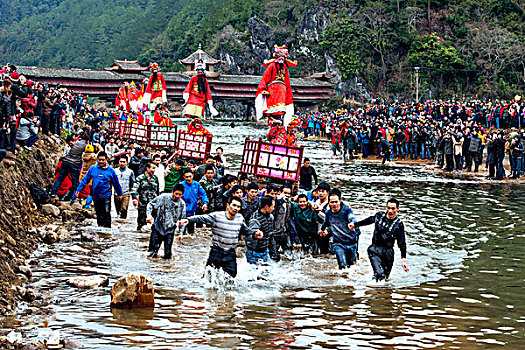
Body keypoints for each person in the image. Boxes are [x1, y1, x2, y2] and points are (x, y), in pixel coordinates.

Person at [178, 196, 263, 278]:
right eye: (234, 205)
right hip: (216, 252)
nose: (235, 208)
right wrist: (188, 220)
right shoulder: (217, 216)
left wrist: (254, 233)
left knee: (231, 279)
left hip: (230, 253)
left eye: (238, 207)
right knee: (208, 278)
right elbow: (202, 218)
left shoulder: (240, 218)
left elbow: (245, 230)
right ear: (227, 205)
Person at [352, 198, 408, 282]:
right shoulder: (379, 216)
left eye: (393, 209)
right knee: (379, 273)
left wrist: (403, 260)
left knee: (384, 279)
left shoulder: (398, 224)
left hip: (388, 252)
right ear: (386, 207)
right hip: (375, 249)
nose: (390, 211)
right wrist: (355, 225)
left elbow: (401, 242)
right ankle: (371, 288)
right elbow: (369, 220)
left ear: (397, 209)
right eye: (388, 208)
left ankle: (377, 292)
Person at [75, 152, 123, 228]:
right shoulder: (92, 168)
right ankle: (100, 230)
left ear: (106, 160)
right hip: (96, 195)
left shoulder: (111, 170)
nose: (101, 162)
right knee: (99, 213)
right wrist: (78, 189)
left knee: (106, 212)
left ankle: (107, 230)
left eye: (102, 160)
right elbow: (85, 179)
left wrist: (120, 194)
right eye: (99, 160)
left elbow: (116, 183)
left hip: (106, 194)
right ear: (97, 159)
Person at [319, 189, 360, 269]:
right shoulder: (328, 213)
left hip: (351, 241)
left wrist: (352, 223)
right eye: (332, 202)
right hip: (338, 243)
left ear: (340, 201)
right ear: (329, 203)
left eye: (336, 202)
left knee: (351, 267)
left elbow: (352, 218)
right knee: (342, 266)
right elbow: (325, 224)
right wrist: (322, 230)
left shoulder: (347, 210)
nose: (334, 204)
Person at [146, 183, 186, 259]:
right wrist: (149, 216)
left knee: (168, 255)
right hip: (158, 227)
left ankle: (166, 269)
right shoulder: (163, 197)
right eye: (176, 194)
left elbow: (182, 220)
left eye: (180, 195)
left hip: (170, 230)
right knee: (151, 253)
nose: (177, 196)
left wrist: (181, 233)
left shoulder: (182, 204)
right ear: (172, 191)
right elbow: (150, 205)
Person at [50, 135, 89, 200]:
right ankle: (73, 198)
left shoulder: (76, 143)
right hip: (73, 164)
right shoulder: (86, 145)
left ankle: (53, 193)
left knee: (60, 178)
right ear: (87, 141)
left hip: (65, 162)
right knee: (75, 182)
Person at [246, 196, 278, 265]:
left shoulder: (270, 217)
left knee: (268, 273)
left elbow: (271, 234)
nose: (273, 209)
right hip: (254, 253)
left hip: (265, 251)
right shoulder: (255, 219)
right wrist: (255, 234)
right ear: (266, 207)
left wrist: (274, 252)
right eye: (272, 206)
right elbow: (250, 235)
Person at [132, 161, 159, 231]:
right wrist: (134, 198)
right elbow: (134, 189)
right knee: (141, 224)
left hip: (153, 205)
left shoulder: (155, 178)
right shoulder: (140, 178)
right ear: (147, 168)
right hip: (143, 205)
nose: (154, 170)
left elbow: (157, 192)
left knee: (154, 225)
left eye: (155, 168)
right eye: (152, 168)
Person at [180, 168, 209, 234]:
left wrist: (205, 203)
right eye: (187, 177)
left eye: (190, 176)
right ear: (184, 177)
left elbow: (203, 194)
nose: (189, 178)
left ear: (193, 175)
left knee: (191, 232)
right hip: (182, 212)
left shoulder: (196, 184)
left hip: (192, 212)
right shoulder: (181, 185)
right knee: (182, 232)